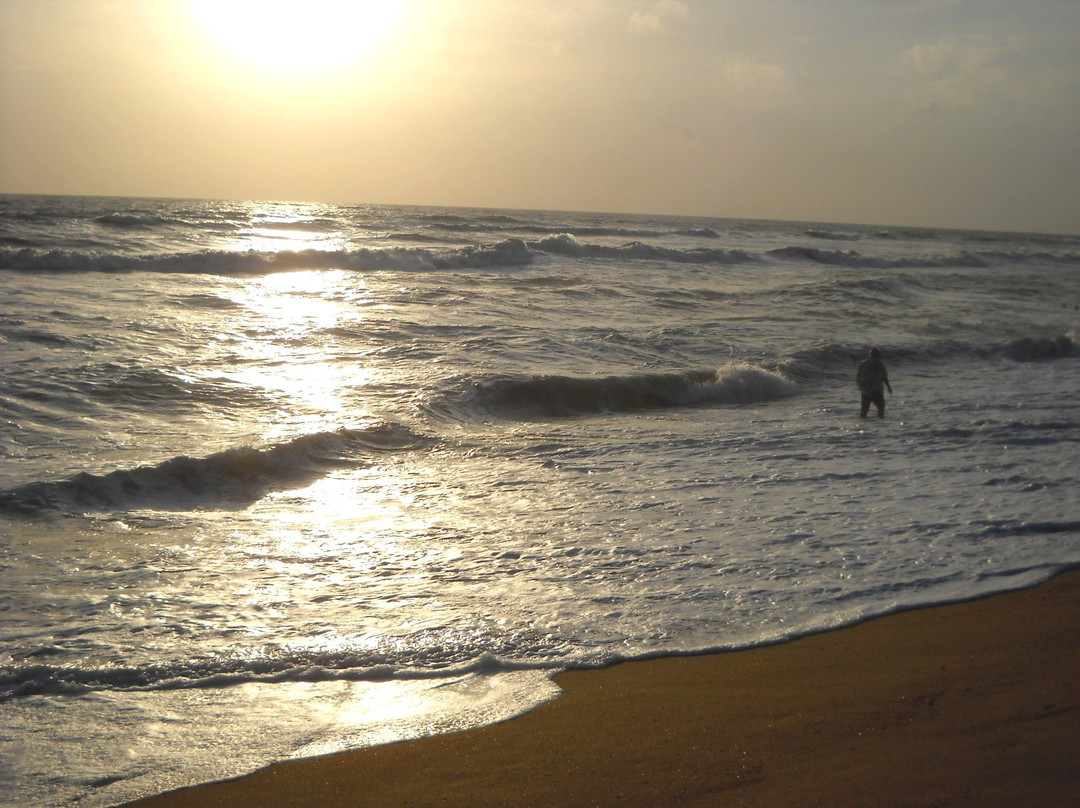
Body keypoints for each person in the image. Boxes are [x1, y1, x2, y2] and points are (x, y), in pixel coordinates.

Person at [856, 347, 892, 418]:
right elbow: (884, 376)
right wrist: (888, 387)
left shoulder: (863, 363)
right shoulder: (879, 363)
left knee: (864, 410)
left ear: (870, 355)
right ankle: (880, 423)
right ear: (879, 355)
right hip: (877, 389)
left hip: (865, 390)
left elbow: (858, 377)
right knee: (881, 408)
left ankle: (862, 425)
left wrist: (860, 386)